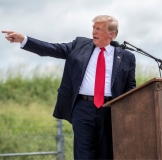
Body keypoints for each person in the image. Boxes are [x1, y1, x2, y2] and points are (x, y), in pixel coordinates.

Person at [2, 15, 136, 159]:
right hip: (83, 108)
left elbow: (130, 86)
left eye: (98, 29)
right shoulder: (79, 45)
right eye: (93, 28)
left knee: (107, 155)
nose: (93, 32)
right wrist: (24, 40)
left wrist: (127, 113)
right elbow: (54, 49)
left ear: (111, 34)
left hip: (110, 110)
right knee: (84, 155)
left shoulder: (127, 57)